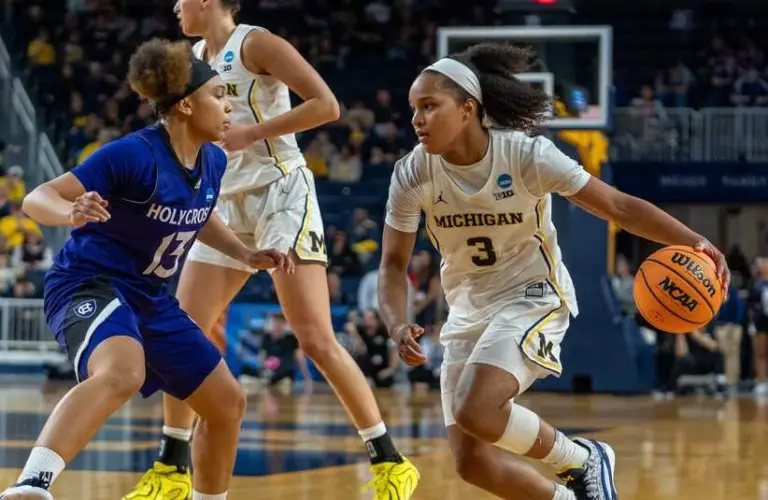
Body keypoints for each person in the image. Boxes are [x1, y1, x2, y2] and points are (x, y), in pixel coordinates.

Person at [377, 43, 731, 500]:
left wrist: (694, 241)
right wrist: (394, 321)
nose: (416, 119)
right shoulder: (411, 173)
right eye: (413, 109)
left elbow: (617, 206)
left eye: (429, 106)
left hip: (532, 295)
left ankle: (584, 459)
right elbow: (392, 263)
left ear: (467, 109)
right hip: (467, 308)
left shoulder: (526, 156)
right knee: (473, 463)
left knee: (477, 408)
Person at [125, 1, 419, 499]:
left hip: (281, 193)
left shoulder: (256, 43)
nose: (175, 6)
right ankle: (172, 467)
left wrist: (251, 133)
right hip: (225, 201)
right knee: (181, 334)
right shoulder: (192, 56)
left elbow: (326, 105)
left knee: (315, 340)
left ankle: (390, 460)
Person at [0, 38, 292, 500]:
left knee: (226, 404)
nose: (228, 105)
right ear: (184, 106)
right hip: (89, 283)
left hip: (150, 298)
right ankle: (31, 484)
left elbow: (201, 213)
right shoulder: (134, 154)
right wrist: (72, 210)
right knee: (122, 372)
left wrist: (244, 253)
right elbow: (39, 197)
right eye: (218, 96)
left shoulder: (213, 160)